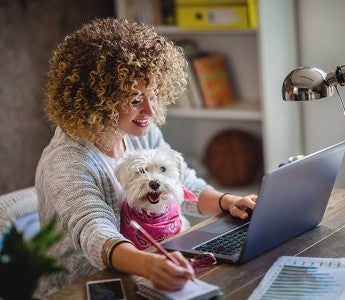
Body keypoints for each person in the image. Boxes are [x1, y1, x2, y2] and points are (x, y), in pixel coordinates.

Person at [35, 17, 257, 297]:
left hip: (145, 269)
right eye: (135, 100)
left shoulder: (140, 133)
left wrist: (227, 202)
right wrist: (151, 265)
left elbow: (184, 182)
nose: (150, 111)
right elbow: (96, 233)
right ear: (98, 100)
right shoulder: (67, 162)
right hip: (83, 288)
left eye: (152, 94)